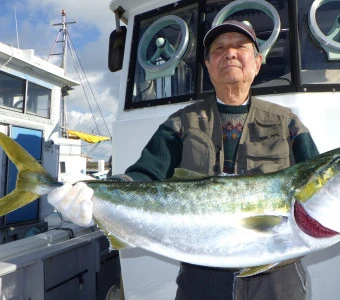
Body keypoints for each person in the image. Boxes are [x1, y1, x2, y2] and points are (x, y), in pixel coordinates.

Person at [48, 20, 320, 299]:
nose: (229, 54)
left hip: (277, 277)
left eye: (240, 47)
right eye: (219, 49)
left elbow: (319, 185)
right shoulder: (182, 122)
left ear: (258, 62)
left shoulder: (287, 123)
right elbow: (143, 176)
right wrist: (89, 195)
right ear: (208, 64)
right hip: (201, 275)